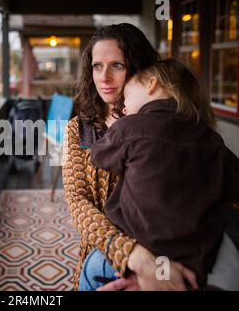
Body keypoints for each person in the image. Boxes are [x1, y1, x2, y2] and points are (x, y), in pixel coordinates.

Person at [62, 23, 198, 291]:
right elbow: (77, 202)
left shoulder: (168, 123)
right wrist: (131, 254)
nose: (104, 77)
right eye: (97, 66)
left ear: (139, 69)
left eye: (117, 65)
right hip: (103, 258)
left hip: (170, 259)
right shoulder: (79, 129)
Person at [88, 58, 239, 290]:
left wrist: (117, 127)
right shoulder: (212, 140)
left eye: (127, 98)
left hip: (141, 250)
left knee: (91, 269)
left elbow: (98, 155)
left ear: (151, 84)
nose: (125, 108)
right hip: (197, 260)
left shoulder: (132, 127)